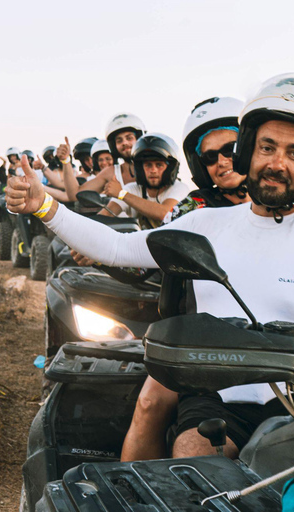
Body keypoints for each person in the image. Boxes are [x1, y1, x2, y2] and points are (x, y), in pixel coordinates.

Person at [6, 72, 294, 460]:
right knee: (191, 458)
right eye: (267, 147)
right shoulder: (207, 224)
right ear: (249, 151)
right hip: (217, 399)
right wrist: (44, 206)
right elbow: (114, 247)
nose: (276, 163)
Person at [119, 96, 252, 461]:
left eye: (232, 149)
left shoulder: (287, 207)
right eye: (210, 156)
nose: (222, 161)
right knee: (148, 405)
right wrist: (103, 255)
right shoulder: (193, 208)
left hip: (276, 342)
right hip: (198, 340)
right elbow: (144, 255)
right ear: (199, 163)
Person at [100, 133, 190, 229]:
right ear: (140, 169)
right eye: (148, 165)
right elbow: (103, 217)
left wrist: (122, 194)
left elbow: (165, 213)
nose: (153, 170)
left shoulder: (180, 188)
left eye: (159, 165)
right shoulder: (132, 189)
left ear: (170, 169)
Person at [75, 113, 146, 196]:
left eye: (129, 138)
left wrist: (121, 194)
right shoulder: (111, 172)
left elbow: (163, 208)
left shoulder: (155, 167)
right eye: (119, 141)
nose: (124, 143)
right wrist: (65, 161)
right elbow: (75, 194)